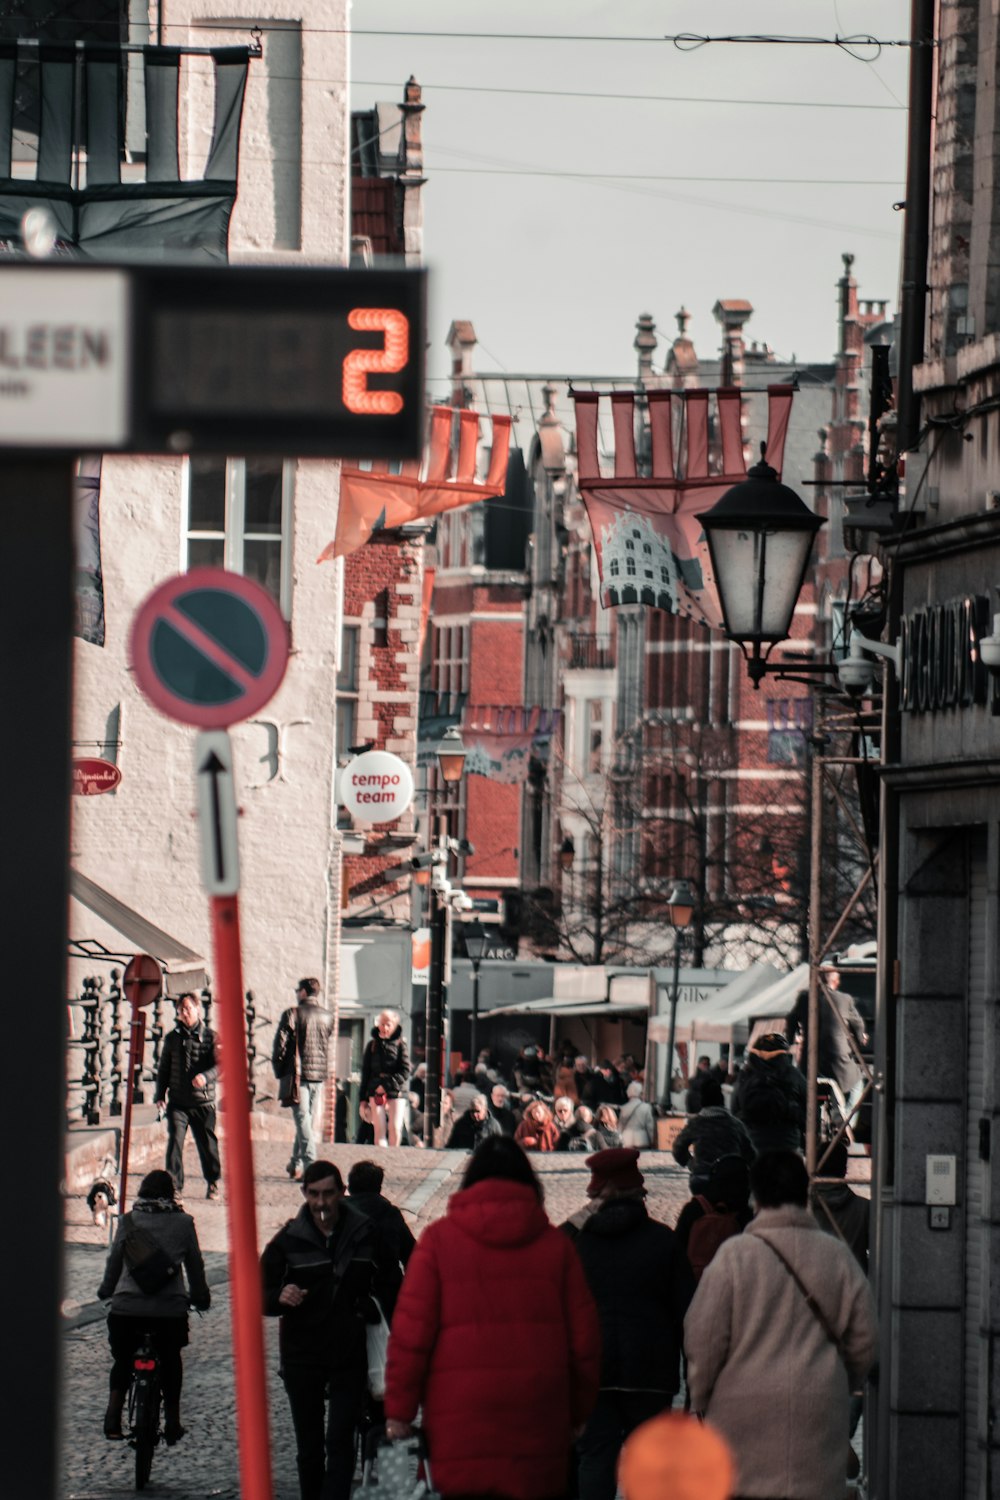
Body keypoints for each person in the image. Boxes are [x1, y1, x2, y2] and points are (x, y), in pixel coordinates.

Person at [383, 1137, 601, 1500]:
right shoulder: (555, 1247)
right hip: (538, 1426)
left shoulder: (438, 1242)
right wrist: (576, 1414)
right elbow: (585, 1343)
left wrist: (399, 1413)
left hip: (459, 1428)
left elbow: (410, 1337)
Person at [685, 1150, 877, 1500]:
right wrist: (837, 1379)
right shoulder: (835, 1256)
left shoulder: (734, 1257)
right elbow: (865, 1335)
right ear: (805, 1192)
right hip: (817, 1410)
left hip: (741, 1411)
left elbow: (703, 1337)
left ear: (754, 1196)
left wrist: (702, 1397)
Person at [261, 1160, 400, 1500]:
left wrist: (376, 1307)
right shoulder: (288, 1239)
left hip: (348, 1349)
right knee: (309, 1447)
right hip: (301, 1352)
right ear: (304, 1194)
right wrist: (279, 1296)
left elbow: (392, 1281)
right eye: (314, 1195)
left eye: (327, 1194)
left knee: (340, 1440)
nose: (321, 1203)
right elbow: (257, 1293)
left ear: (341, 1193)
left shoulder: (366, 1232)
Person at [561, 1149, 694, 1500]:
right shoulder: (664, 1241)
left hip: (592, 1374)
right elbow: (687, 1312)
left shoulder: (578, 1243)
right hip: (650, 1374)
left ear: (598, 1197)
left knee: (594, 1460)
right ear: (639, 1195)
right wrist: (693, 1378)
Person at [97, 1168, 210, 1444]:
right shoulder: (184, 1223)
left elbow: (114, 1263)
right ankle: (172, 1421)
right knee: (171, 1359)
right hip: (168, 1313)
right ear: (172, 1195)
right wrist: (200, 1298)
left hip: (126, 1310)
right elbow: (195, 1267)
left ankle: (112, 1417)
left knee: (123, 1360)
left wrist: (105, 1291)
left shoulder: (128, 1221)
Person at [154, 992, 221, 1199]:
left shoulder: (212, 1037)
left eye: (188, 1009)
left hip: (203, 1101)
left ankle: (212, 1182)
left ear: (197, 1009)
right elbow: (164, 1067)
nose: (185, 1013)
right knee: (175, 1141)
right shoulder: (173, 1038)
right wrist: (160, 1094)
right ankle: (175, 1186)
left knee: (207, 1145)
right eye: (181, 1010)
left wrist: (206, 1076)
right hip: (178, 1102)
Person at [786, 969, 869, 1121]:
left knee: (802, 1091)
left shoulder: (805, 998)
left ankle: (808, 1122)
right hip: (838, 1062)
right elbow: (858, 1024)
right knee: (858, 1085)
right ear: (836, 982)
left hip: (810, 1063)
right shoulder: (845, 999)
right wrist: (860, 1038)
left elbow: (791, 1019)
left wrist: (790, 1039)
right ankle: (845, 1121)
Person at [273, 978, 336, 1180]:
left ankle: (310, 1165)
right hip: (318, 1074)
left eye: (297, 990)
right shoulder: (328, 1016)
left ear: (303, 992)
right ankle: (296, 1162)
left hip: (298, 1073)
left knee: (303, 1119)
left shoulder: (293, 1014)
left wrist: (280, 1068)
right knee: (305, 1119)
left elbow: (280, 1045)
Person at [347, 1158, 416, 1311]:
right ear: (379, 1187)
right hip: (386, 1291)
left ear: (350, 1187)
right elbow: (412, 1255)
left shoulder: (338, 1212)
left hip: (346, 1291)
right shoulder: (390, 1213)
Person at [731, 1032, 807, 1156]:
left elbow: (734, 1110)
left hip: (752, 1142)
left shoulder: (745, 1075)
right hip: (787, 1143)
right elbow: (809, 1110)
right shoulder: (793, 1074)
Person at [671, 1105, 755, 1192]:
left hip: (702, 1176)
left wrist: (691, 1164)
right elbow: (750, 1155)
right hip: (730, 1177)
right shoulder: (736, 1124)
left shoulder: (696, 1123)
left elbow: (678, 1148)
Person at [360, 1010, 411, 1147]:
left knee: (394, 1127)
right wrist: (363, 1100)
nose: (384, 1027)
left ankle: (393, 1153)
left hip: (396, 1090)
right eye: (382, 1024)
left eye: (388, 1024)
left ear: (394, 1025)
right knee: (379, 1128)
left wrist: (387, 1085)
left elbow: (405, 1070)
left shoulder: (401, 1045)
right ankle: (381, 1156)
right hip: (375, 1089)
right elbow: (366, 1072)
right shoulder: (372, 1045)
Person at [618, 1081, 656, 1149]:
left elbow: (620, 1127)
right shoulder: (646, 1107)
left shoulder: (623, 1108)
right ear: (640, 1093)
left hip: (626, 1139)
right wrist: (652, 1141)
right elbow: (650, 1127)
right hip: (642, 1139)